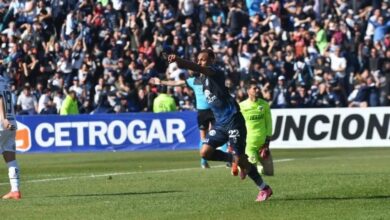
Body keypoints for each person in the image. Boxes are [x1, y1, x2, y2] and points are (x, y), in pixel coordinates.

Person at [167, 49, 272, 202]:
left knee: (242, 160)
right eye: (198, 59)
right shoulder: (201, 79)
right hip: (221, 123)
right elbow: (191, 74)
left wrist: (179, 60)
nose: (200, 62)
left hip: (233, 120)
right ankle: (234, 158)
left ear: (212, 60)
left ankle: (264, 188)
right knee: (205, 152)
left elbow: (198, 68)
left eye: (203, 59)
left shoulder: (215, 72)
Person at [150, 71, 229, 169]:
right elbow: (176, 83)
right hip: (210, 111)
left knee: (206, 137)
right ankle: (217, 161)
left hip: (205, 112)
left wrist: (161, 82)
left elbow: (176, 83)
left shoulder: (195, 81)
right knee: (217, 135)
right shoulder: (207, 80)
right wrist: (161, 82)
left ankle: (205, 162)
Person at [239, 81, 274, 176]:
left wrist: (267, 141)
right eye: (254, 88)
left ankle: (258, 168)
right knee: (250, 171)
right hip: (249, 143)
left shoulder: (264, 104)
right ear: (248, 91)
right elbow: (237, 124)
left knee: (269, 173)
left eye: (258, 88)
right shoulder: (241, 106)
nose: (257, 90)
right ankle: (240, 165)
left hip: (263, 144)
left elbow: (269, 123)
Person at [0, 76, 21, 199]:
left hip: (2, 123)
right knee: (10, 157)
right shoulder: (4, 80)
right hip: (11, 122)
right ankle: (15, 190)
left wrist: (3, 119)